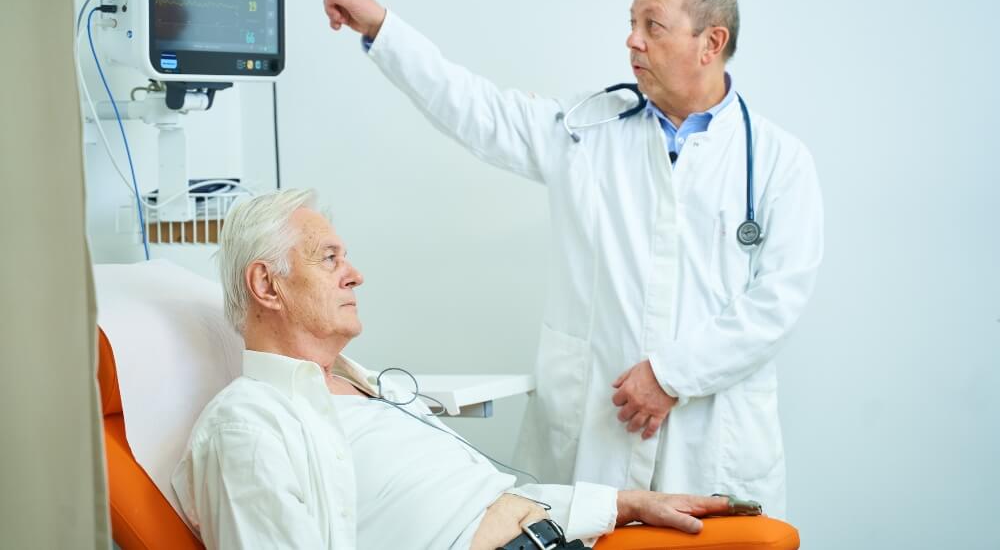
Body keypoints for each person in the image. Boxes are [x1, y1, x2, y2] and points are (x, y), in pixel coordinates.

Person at [310, 0, 824, 517]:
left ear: (711, 42)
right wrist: (384, 29)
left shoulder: (778, 161)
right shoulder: (587, 128)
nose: (632, 40)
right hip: (597, 434)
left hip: (710, 436)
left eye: (653, 26)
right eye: (631, 22)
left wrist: (671, 375)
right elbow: (477, 110)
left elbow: (778, 301)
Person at [170, 189, 736, 550]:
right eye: (329, 258)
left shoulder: (371, 389)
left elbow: (489, 501)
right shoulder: (248, 425)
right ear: (267, 285)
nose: (355, 274)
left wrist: (623, 502)